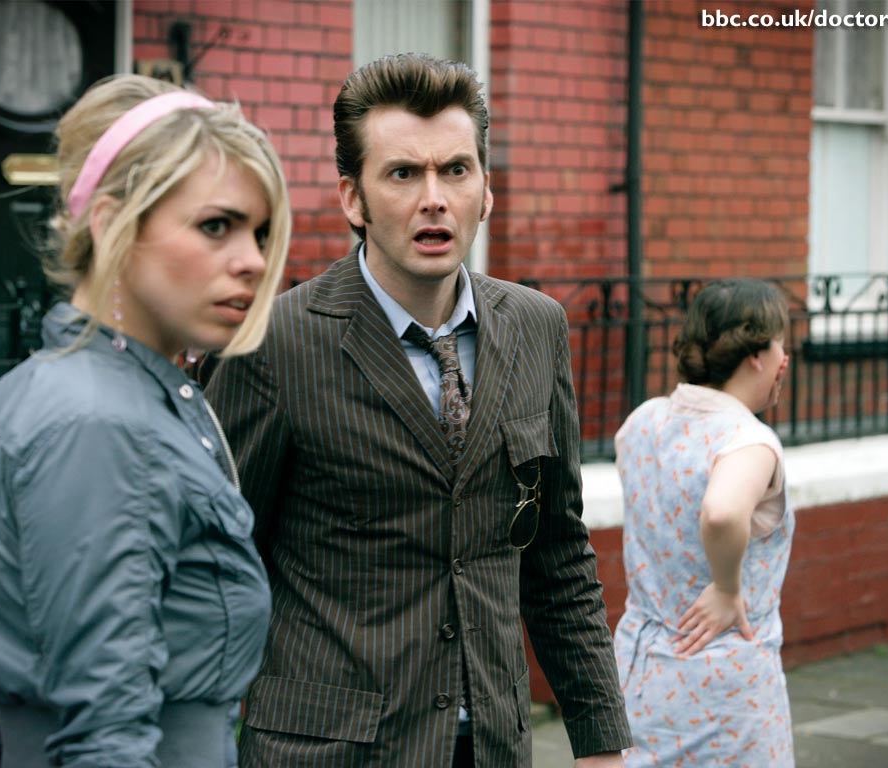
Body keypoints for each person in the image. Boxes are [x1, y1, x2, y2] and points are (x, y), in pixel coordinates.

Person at [204, 53, 631, 767]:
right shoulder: (274, 343)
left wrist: (601, 739)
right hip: (330, 752)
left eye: (456, 170)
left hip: (490, 746)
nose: (434, 198)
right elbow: (215, 563)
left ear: (485, 190)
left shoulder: (537, 326)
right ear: (354, 199)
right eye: (403, 174)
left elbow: (557, 553)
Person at [0, 73, 291, 768]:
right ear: (110, 226)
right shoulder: (101, 427)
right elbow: (105, 728)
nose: (253, 261)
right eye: (215, 226)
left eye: (260, 232)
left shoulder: (52, 398)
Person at [613, 278, 795, 766]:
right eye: (781, 343)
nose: (786, 357)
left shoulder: (643, 421)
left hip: (639, 675)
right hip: (723, 693)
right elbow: (722, 512)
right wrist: (726, 588)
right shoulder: (747, 440)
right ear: (756, 355)